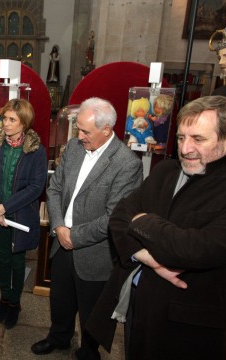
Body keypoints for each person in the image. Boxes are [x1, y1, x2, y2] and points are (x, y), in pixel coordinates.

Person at [86, 96, 226, 360]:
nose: (186, 148)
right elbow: (119, 217)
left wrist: (142, 220)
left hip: (187, 330)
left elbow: (195, 249)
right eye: (180, 138)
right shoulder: (166, 170)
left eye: (198, 139)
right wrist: (146, 257)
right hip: (139, 307)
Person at [31, 97, 143, 359]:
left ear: (106, 130)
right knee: (60, 299)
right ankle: (59, 337)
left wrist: (75, 236)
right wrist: (59, 227)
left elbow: (113, 217)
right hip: (62, 242)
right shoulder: (74, 147)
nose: (79, 135)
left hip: (95, 253)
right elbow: (55, 187)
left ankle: (89, 350)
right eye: (78, 128)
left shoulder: (127, 164)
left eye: (85, 131)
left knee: (92, 308)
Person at [0, 99, 47, 329]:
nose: (5, 124)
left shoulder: (36, 150)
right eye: (4, 119)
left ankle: (15, 303)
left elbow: (36, 187)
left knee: (18, 262)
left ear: (24, 122)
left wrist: (4, 208)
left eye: (11, 120)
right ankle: (4, 299)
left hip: (19, 216)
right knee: (3, 258)